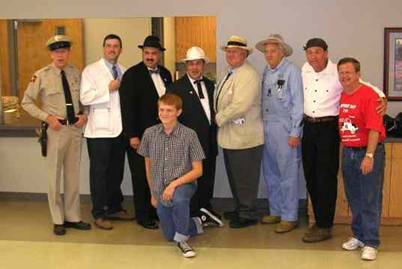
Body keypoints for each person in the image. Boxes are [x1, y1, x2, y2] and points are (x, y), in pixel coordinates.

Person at [301, 38, 387, 242]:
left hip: (329, 128)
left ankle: (325, 225)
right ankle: (319, 220)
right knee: (311, 175)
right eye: (310, 52)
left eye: (317, 52)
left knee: (326, 178)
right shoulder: (304, 69)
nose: (313, 56)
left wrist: (382, 99)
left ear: (326, 53)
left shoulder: (339, 73)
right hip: (308, 127)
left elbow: (367, 88)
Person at [21, 35, 91, 236]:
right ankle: (57, 219)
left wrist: (84, 116)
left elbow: (85, 101)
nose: (60, 55)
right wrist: (47, 117)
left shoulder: (76, 73)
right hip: (55, 131)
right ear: (51, 53)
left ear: (69, 52)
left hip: (74, 130)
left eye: (64, 51)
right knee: (54, 176)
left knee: (72, 176)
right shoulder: (41, 75)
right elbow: (26, 102)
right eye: (56, 51)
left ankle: (73, 216)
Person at [138, 93, 205, 258]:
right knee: (169, 235)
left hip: (184, 184)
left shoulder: (190, 135)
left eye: (169, 110)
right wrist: (154, 192)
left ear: (179, 112)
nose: (164, 114)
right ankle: (197, 222)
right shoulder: (149, 133)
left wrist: (173, 185)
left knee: (180, 199)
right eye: (161, 110)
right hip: (160, 187)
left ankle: (183, 241)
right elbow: (148, 165)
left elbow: (198, 171)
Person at [119, 35, 173, 229]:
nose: (150, 56)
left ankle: (155, 210)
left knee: (158, 175)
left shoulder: (166, 74)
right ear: (142, 53)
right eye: (147, 53)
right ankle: (143, 216)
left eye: (154, 53)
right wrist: (132, 135)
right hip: (140, 137)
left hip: (162, 135)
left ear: (159, 55)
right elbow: (127, 108)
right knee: (141, 176)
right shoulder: (132, 75)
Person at [80, 34, 132, 230]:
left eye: (116, 46)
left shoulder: (124, 71)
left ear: (120, 49)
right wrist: (107, 89)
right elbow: (85, 98)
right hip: (98, 132)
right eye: (109, 46)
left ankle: (114, 206)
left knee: (116, 172)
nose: (112, 49)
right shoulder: (91, 71)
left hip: (119, 131)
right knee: (99, 174)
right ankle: (99, 213)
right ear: (103, 48)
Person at [167, 46, 222, 227]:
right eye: (191, 64)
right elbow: (170, 117)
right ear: (186, 65)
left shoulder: (210, 85)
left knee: (207, 178)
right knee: (190, 181)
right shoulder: (176, 88)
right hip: (187, 145)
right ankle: (192, 213)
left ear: (203, 65)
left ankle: (205, 209)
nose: (195, 67)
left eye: (198, 63)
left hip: (209, 142)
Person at [337, 57, 386, 261]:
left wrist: (369, 155)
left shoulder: (369, 95)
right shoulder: (342, 95)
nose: (345, 76)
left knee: (370, 198)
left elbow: (374, 129)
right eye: (341, 73)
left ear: (358, 74)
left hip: (367, 152)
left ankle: (371, 242)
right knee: (354, 197)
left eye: (349, 72)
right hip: (348, 152)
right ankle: (358, 235)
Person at [214, 35, 263, 228]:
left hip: (245, 137)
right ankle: (240, 208)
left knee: (245, 178)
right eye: (229, 52)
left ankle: (248, 213)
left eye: (235, 52)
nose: (231, 55)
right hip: (231, 136)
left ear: (244, 54)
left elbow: (240, 105)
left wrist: (218, 118)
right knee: (236, 176)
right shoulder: (230, 72)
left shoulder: (248, 74)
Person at [255, 34, 303, 233]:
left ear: (282, 51)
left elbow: (298, 104)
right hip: (266, 127)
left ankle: (289, 215)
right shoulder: (266, 71)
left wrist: (295, 131)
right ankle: (275, 210)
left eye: (273, 51)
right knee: (271, 172)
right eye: (266, 51)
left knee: (288, 174)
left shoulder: (291, 71)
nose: (269, 54)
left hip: (285, 129)